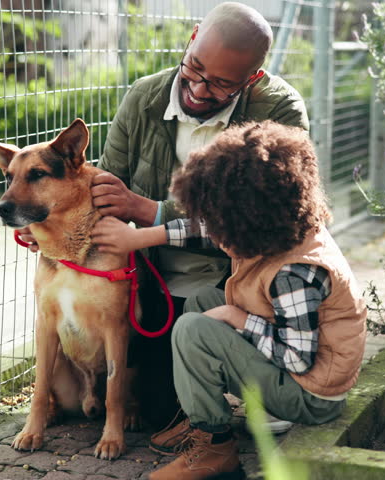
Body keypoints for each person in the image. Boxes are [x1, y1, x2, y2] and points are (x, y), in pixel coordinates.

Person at [15, 2, 309, 428]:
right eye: (194, 68)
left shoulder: (278, 112)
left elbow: (264, 222)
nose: (199, 90)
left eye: (222, 85)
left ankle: (257, 381)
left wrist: (150, 212)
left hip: (240, 283)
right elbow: (100, 188)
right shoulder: (143, 97)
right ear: (191, 39)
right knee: (148, 412)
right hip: (154, 286)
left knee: (196, 397)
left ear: (253, 79)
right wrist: (44, 223)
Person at [91, 121, 367, 480]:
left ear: (247, 221)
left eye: (222, 227)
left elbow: (298, 360)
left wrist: (239, 318)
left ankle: (216, 449)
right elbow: (199, 229)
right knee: (204, 301)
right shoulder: (281, 224)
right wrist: (141, 238)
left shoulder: (295, 274)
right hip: (298, 373)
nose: (216, 236)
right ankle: (205, 421)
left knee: (194, 328)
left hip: (312, 397)